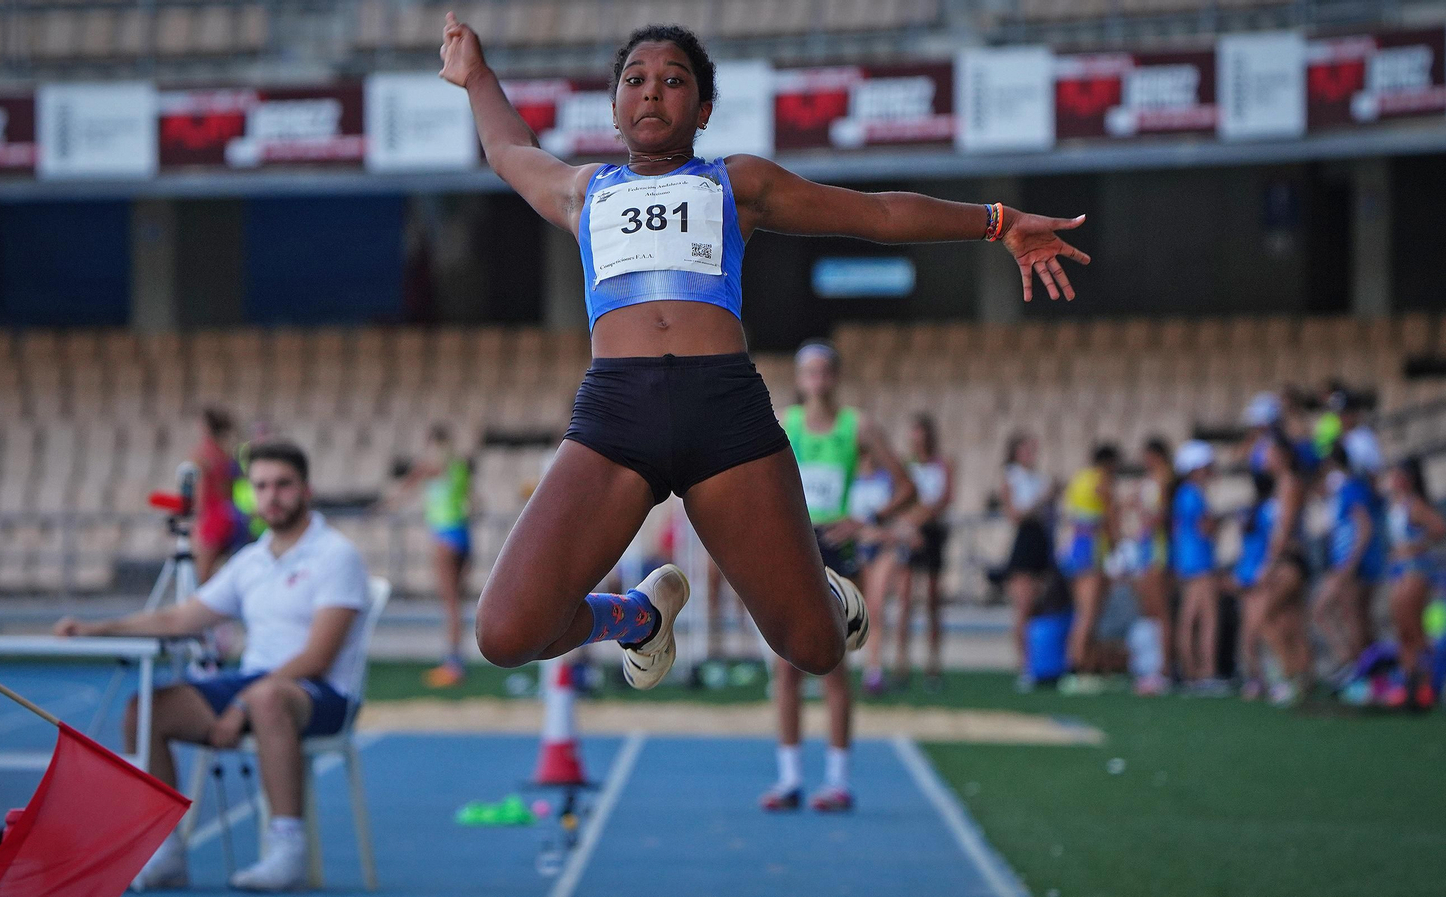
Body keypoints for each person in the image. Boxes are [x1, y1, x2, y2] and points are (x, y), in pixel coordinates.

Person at [438, 16, 1090, 689]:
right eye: (635, 81)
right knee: (506, 631)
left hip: (725, 417)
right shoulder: (583, 192)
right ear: (614, 109)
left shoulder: (736, 182)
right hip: (615, 417)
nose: (653, 92)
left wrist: (997, 221)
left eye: (673, 80)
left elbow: (877, 214)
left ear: (704, 109)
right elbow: (510, 148)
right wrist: (477, 77)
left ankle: (829, 594)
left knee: (817, 647)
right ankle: (639, 619)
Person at [54, 441, 370, 892]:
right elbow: (178, 618)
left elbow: (317, 659)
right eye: (261, 486)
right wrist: (97, 628)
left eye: (283, 484)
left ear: (306, 490)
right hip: (257, 685)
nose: (272, 496)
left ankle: (287, 848)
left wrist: (241, 704)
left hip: (322, 693)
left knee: (267, 698)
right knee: (147, 710)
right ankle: (164, 850)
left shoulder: (336, 554)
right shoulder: (252, 560)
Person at [762, 340, 915, 812]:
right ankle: (789, 779)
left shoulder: (857, 426)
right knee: (785, 666)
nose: (817, 379)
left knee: (832, 664)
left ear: (835, 376)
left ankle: (838, 780)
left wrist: (866, 521)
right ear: (799, 378)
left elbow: (906, 485)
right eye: (809, 371)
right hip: (791, 549)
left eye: (825, 371)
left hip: (836, 551)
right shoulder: (785, 424)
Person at [384, 425, 476, 687]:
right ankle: (458, 660)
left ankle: (453, 665)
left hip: (445, 536)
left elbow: (405, 489)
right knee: (457, 603)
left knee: (450, 605)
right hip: (463, 534)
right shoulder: (459, 466)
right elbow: (473, 502)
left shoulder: (432, 466)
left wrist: (385, 504)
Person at [1235, 433, 1311, 705]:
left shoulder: (1289, 484)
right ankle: (1302, 678)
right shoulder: (1282, 485)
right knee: (1289, 621)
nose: (1265, 458)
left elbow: (1285, 529)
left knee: (1265, 618)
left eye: (1270, 453)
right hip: (1288, 560)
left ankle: (1289, 676)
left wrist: (1269, 565)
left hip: (1287, 561)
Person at [893, 414, 956, 691]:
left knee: (932, 600)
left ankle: (933, 663)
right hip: (911, 534)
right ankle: (901, 663)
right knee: (905, 601)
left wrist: (917, 518)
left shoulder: (944, 465)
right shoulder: (906, 466)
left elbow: (943, 499)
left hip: (930, 534)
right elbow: (901, 498)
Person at [1313, 443, 1385, 681]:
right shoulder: (1346, 489)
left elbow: (1364, 527)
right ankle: (1362, 667)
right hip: (1347, 563)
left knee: (1344, 615)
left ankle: (1354, 664)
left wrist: (1351, 563)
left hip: (1350, 565)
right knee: (1353, 616)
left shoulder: (1351, 488)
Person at [1383, 456, 1446, 706]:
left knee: (1414, 628)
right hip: (1399, 571)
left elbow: (1441, 529)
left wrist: (1415, 546)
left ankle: (1428, 679)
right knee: (1402, 629)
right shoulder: (1396, 504)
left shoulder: (1415, 505)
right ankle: (1409, 678)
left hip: (1415, 570)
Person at [1056, 444, 1119, 688]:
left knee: (1082, 612)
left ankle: (1086, 665)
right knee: (1088, 614)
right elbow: (1109, 516)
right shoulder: (1101, 481)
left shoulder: (1078, 479)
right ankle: (1076, 667)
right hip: (1091, 550)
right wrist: (1116, 545)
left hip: (1074, 547)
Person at [847, 443, 905, 694]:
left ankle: (874, 669)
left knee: (875, 608)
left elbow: (896, 516)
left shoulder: (886, 481)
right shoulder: (849, 480)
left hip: (881, 548)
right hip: (855, 549)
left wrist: (881, 533)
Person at [1000, 432, 1054, 691]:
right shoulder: (1012, 477)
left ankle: (1039, 663)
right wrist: (1040, 502)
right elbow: (1015, 514)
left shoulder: (1040, 479)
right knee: (1023, 608)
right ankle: (1024, 665)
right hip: (1025, 540)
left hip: (1040, 541)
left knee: (1037, 608)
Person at [1172, 440, 1224, 694]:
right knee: (1207, 619)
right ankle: (1206, 671)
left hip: (1187, 562)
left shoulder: (1184, 493)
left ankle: (1191, 670)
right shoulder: (1193, 494)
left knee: (1190, 617)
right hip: (1200, 562)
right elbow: (1206, 528)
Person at [1129, 438, 1174, 695]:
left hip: (1157, 550)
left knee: (1161, 612)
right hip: (1147, 549)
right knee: (1150, 610)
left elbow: (1160, 516)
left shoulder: (1163, 480)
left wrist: (1141, 510)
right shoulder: (1152, 480)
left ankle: (1164, 669)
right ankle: (1154, 665)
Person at [192, 407, 245, 584]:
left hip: (212, 517)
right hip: (228, 514)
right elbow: (230, 491)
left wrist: (197, 520)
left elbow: (201, 491)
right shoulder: (226, 454)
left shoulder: (202, 455)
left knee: (202, 577)